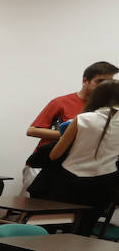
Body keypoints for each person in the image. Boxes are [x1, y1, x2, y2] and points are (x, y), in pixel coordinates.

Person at [24, 60, 117, 190]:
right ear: (85, 81)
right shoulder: (61, 102)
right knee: (31, 207)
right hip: (43, 164)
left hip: (72, 170)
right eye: (99, 81)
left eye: (108, 82)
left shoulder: (107, 111)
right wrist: (71, 132)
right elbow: (32, 130)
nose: (104, 86)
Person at [43, 79, 119, 232]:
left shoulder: (83, 119)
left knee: (51, 226)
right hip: (105, 181)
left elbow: (54, 155)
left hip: (69, 178)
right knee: (84, 231)